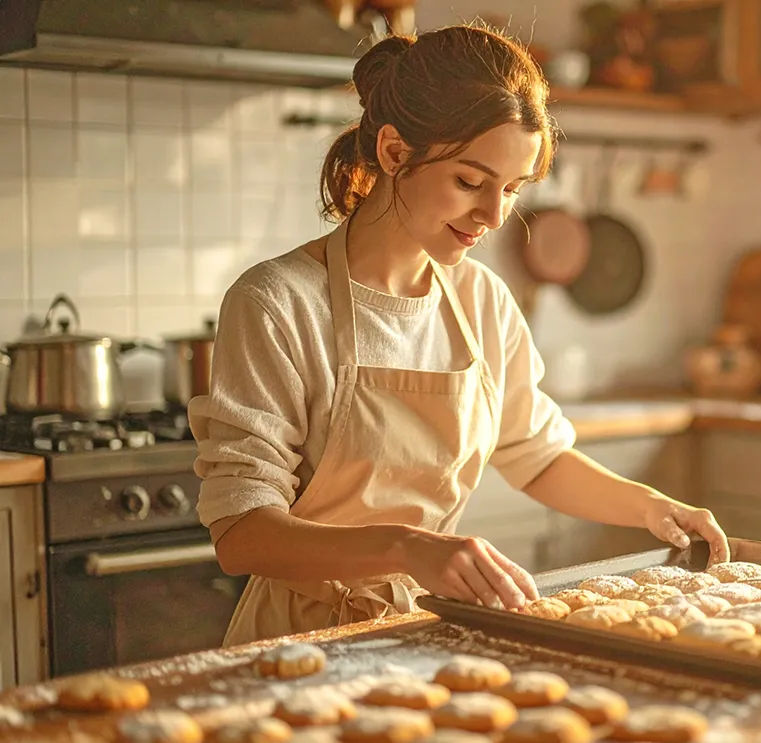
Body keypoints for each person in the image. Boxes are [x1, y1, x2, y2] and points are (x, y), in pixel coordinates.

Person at [190, 24, 729, 647]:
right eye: (471, 182)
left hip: (425, 629)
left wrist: (655, 508)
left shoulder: (481, 301)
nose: (495, 217)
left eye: (512, 190)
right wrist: (408, 548)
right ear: (394, 153)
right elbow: (242, 536)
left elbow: (537, 455)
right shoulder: (277, 302)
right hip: (295, 645)